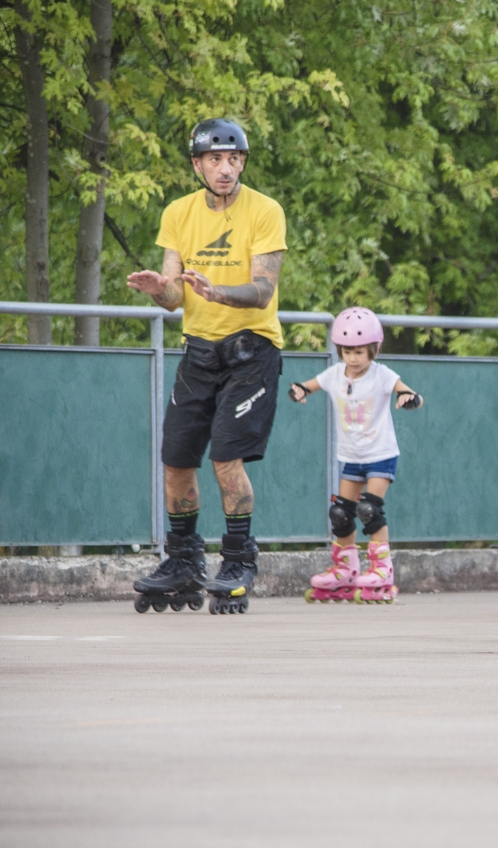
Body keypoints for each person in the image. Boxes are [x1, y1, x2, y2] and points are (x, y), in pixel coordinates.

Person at [126, 117, 287, 615]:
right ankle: (183, 560)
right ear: (197, 164)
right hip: (199, 352)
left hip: (251, 351)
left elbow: (263, 290)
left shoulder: (265, 210)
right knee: (176, 459)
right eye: (215, 159)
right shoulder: (178, 213)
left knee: (225, 458)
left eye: (234, 159)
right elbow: (175, 296)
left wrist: (219, 293)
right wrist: (159, 290)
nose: (226, 168)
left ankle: (238, 559)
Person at [289, 307, 422, 603]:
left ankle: (382, 570)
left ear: (374, 349)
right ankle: (345, 571)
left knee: (369, 509)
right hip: (351, 456)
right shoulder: (335, 375)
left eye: (360, 352)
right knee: (340, 514)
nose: (353, 358)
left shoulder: (381, 374)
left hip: (380, 454)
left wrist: (408, 397)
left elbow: (410, 392)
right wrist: (299, 390)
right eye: (347, 351)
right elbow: (309, 386)